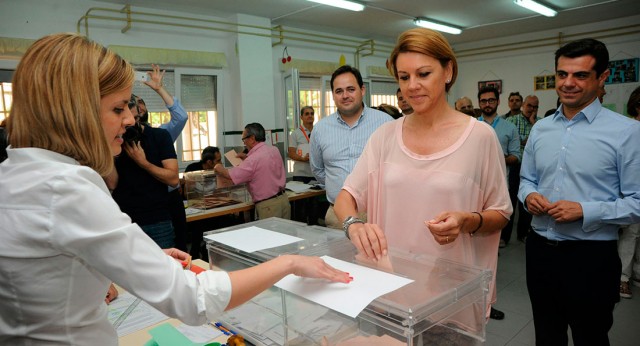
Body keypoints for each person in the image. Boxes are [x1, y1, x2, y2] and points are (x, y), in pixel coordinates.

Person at [0, 33, 351, 345]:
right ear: (74, 111)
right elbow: (194, 300)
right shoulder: (66, 186)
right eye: (118, 108)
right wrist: (287, 263)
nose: (129, 120)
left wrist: (129, 262)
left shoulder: (17, 172)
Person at [334, 28, 511, 324]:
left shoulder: (480, 137)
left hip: (449, 292)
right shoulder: (385, 137)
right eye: (404, 78)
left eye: (423, 74)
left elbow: (501, 213)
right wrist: (353, 225)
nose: (412, 86)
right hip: (391, 289)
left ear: (448, 71)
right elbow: (347, 196)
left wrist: (467, 221)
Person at [518, 38, 640, 345]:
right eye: (562, 74)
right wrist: (529, 196)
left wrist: (586, 210)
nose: (568, 83)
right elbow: (526, 181)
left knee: (591, 337)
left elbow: (637, 202)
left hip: (591, 257)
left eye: (580, 75)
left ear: (602, 77)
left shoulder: (626, 132)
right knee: (547, 334)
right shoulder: (541, 129)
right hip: (540, 251)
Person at [309, 65, 392, 229]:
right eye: (339, 91)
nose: (345, 95)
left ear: (362, 90)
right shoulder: (320, 129)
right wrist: (337, 190)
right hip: (337, 216)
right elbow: (318, 170)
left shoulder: (386, 123)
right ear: (333, 95)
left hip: (377, 215)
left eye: (350, 89)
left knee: (383, 255)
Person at [107, 96, 179, 248]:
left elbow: (173, 179)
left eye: (134, 118)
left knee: (165, 267)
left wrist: (143, 163)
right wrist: (108, 150)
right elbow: (112, 183)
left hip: (157, 220)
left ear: (140, 115)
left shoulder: (159, 136)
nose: (130, 124)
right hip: (125, 220)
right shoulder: (113, 141)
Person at [136, 65, 190, 252]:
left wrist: (159, 89)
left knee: (180, 245)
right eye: (135, 104)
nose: (140, 106)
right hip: (142, 203)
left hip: (169, 198)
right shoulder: (118, 139)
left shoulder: (161, 135)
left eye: (142, 103)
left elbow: (181, 116)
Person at [214, 123, 290, 220]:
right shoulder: (274, 150)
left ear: (252, 138)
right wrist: (246, 158)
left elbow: (230, 175)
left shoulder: (253, 159)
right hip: (283, 200)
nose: (244, 143)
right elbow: (262, 167)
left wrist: (218, 167)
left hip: (268, 206)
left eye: (244, 139)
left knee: (269, 235)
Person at [478, 86, 521, 249]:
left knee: (501, 211)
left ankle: (502, 238)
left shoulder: (509, 127)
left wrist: (498, 158)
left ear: (498, 102)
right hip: (477, 180)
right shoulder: (472, 126)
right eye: (483, 101)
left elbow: (516, 156)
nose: (487, 104)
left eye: (491, 100)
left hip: (502, 179)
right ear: (479, 103)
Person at [506, 95, 539, 242]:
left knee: (527, 201)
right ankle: (504, 237)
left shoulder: (540, 123)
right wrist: (525, 140)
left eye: (535, 106)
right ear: (523, 105)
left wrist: (532, 125)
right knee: (510, 201)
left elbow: (536, 144)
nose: (532, 109)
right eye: (529, 105)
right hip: (515, 165)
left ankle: (523, 233)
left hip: (533, 166)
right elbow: (515, 142)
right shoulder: (511, 121)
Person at [618, 85, 640, 299]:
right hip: (632, 191)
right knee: (631, 233)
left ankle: (637, 273)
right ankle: (623, 278)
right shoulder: (628, 129)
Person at [288, 106, 315, 183]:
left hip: (316, 174)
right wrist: (303, 159)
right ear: (301, 117)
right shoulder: (295, 134)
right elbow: (291, 153)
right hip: (300, 174)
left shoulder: (318, 132)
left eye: (312, 114)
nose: (310, 116)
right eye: (307, 114)